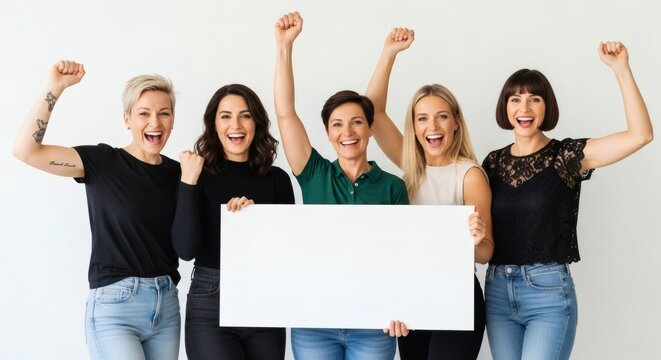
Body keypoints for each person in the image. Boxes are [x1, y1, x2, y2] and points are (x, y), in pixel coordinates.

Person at [482, 41, 653, 360]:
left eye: (535, 99)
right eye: (515, 99)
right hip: (497, 292)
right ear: (505, 107)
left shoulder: (566, 156)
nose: (525, 108)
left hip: (547, 293)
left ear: (547, 107)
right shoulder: (491, 163)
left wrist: (621, 69)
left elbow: (640, 135)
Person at [12, 60, 181, 360]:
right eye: (144, 113)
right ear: (127, 118)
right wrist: (55, 89)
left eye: (163, 113)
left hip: (166, 306)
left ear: (172, 120)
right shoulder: (103, 163)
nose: (155, 122)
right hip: (115, 308)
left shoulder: (179, 174)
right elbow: (26, 150)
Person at [274, 11, 411, 360]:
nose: (347, 133)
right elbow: (285, 112)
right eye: (337, 125)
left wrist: (400, 305)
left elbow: (401, 254)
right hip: (314, 323)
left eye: (356, 123)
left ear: (369, 128)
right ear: (328, 133)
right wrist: (284, 47)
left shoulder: (393, 187)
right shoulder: (313, 172)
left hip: (374, 325)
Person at [365, 28, 492, 359]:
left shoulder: (469, 175)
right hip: (412, 294)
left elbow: (485, 253)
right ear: (414, 126)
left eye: (440, 117)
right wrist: (389, 53)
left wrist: (477, 238)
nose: (431, 126)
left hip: (457, 294)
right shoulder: (410, 166)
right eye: (422, 118)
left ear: (455, 122)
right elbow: (373, 113)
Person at [171, 83, 295, 360]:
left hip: (264, 299)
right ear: (214, 124)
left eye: (245, 115)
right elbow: (185, 249)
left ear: (257, 122)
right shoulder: (197, 174)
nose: (235, 125)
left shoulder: (277, 180)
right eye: (225, 116)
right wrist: (188, 183)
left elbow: (287, 253)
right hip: (210, 301)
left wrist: (254, 221)